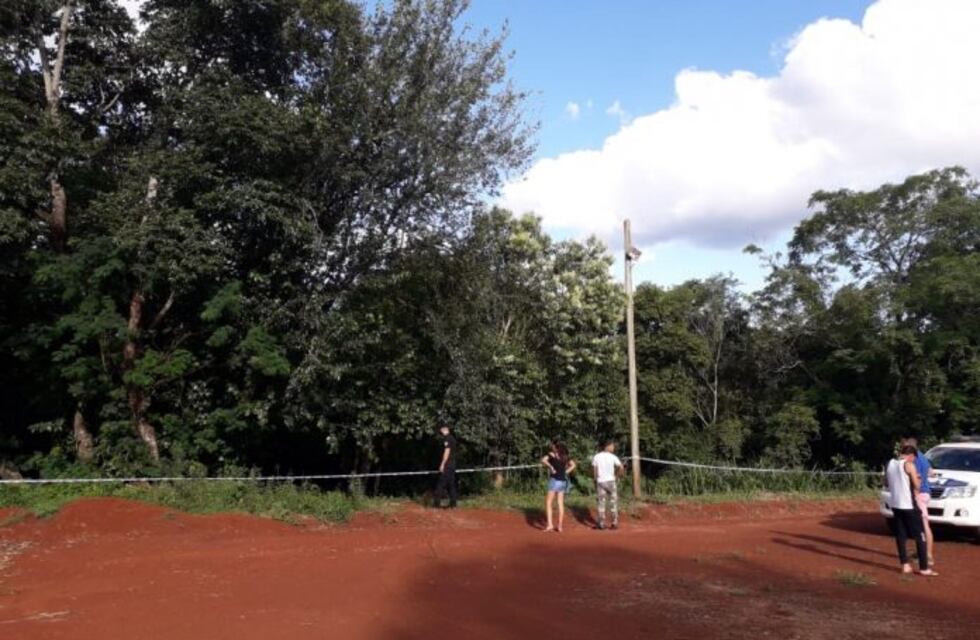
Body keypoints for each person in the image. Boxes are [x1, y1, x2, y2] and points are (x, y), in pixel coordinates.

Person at [885, 444, 938, 576]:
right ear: (911, 456)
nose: (914, 461)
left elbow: (885, 482)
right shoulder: (909, 465)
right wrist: (918, 477)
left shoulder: (890, 463)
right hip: (909, 505)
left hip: (896, 504)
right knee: (921, 536)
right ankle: (924, 568)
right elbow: (917, 486)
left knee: (900, 535)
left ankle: (905, 565)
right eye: (914, 458)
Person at [902, 437, 936, 568]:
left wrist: (915, 493)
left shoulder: (915, 459)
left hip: (919, 494)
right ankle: (923, 553)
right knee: (921, 524)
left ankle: (928, 556)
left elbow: (918, 477)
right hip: (925, 493)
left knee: (924, 525)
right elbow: (930, 472)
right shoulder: (923, 457)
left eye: (905, 448)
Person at [540, 440, 576, 532]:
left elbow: (543, 460)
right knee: (560, 503)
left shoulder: (552, 455)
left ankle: (550, 525)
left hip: (554, 480)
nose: (552, 447)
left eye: (553, 445)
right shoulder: (565, 456)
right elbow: (573, 465)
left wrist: (550, 467)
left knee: (548, 503)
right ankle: (559, 526)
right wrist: (566, 472)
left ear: (556, 447)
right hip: (563, 481)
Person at [592, 439, 624, 530]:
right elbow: (621, 467)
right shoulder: (613, 457)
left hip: (601, 482)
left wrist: (595, 480)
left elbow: (595, 470)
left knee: (601, 503)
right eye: (612, 446)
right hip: (611, 482)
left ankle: (601, 523)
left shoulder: (597, 456)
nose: (613, 447)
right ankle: (614, 523)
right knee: (613, 503)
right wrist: (617, 476)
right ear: (607, 446)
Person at [433, 425, 458, 509]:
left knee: (440, 484)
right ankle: (453, 504)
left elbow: (447, 452)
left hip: (447, 464)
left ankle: (436, 505)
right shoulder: (453, 439)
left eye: (441, 430)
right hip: (452, 464)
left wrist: (442, 464)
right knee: (451, 485)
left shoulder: (447, 439)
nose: (440, 432)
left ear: (444, 429)